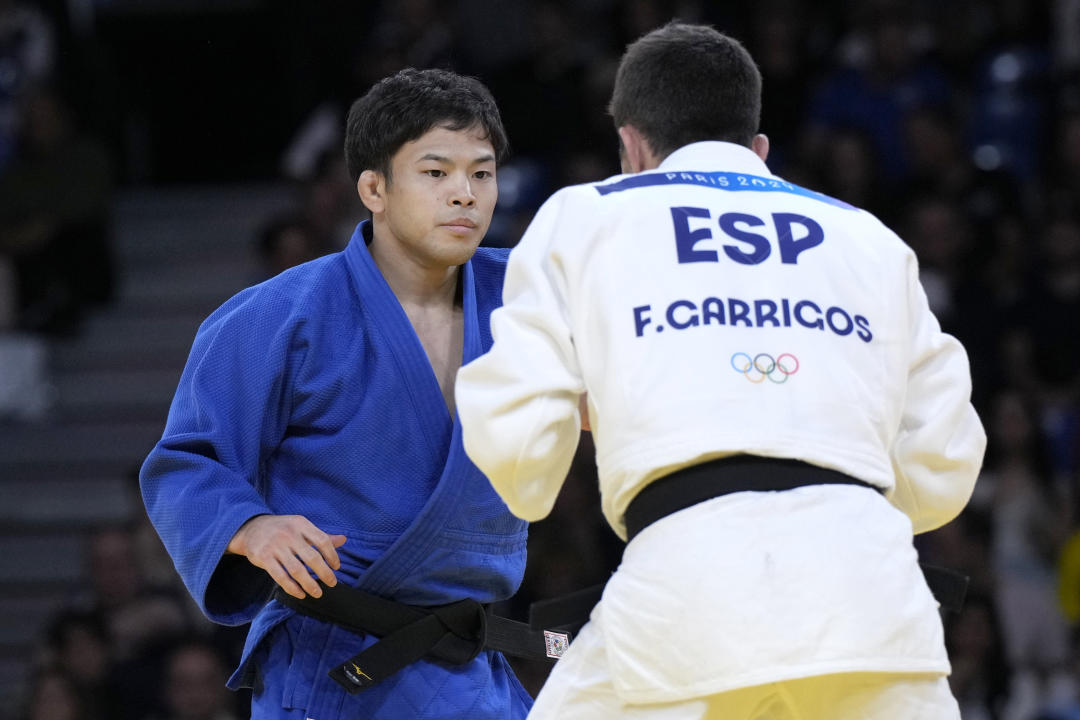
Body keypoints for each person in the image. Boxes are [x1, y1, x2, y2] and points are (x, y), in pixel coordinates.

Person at [455, 22, 987, 719]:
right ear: (758, 148)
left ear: (632, 147)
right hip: (874, 600)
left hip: (687, 591)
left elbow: (520, 453)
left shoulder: (588, 215)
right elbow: (943, 463)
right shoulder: (869, 237)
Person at [140, 68, 533, 719]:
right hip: (334, 668)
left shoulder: (530, 298)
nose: (465, 195)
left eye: (482, 174)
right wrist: (250, 525)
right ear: (374, 188)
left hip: (471, 672)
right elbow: (186, 462)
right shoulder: (277, 316)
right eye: (436, 173)